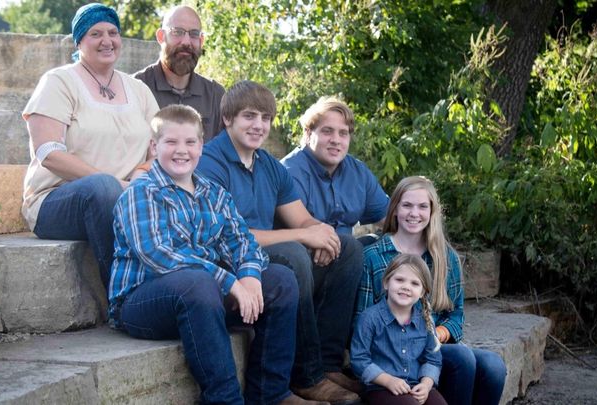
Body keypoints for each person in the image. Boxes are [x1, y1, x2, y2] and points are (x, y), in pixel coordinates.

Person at [108, 104, 315, 405]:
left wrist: (249, 277)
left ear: (201, 146)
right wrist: (231, 283)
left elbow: (243, 241)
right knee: (198, 282)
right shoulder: (141, 192)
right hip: (142, 302)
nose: (182, 150)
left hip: (203, 299)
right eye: (171, 142)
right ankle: (225, 399)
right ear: (154, 147)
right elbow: (159, 253)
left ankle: (270, 394)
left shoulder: (214, 194)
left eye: (190, 142)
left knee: (280, 280)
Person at [198, 81, 362, 405]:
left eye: (265, 118)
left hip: (262, 262)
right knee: (293, 255)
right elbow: (227, 237)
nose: (258, 125)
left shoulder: (268, 165)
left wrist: (321, 234)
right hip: (226, 271)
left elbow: (302, 219)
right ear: (228, 118)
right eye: (249, 116)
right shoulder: (209, 163)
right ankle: (306, 377)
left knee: (348, 249)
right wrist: (303, 235)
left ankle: (328, 365)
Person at [22, 3, 159, 289]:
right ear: (79, 41)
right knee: (103, 189)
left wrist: (138, 176)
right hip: (58, 201)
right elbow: (48, 153)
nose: (106, 40)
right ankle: (121, 292)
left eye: (113, 33)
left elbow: (160, 151)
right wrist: (115, 184)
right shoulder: (59, 82)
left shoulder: (139, 90)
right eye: (95, 34)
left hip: (127, 195)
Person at [355, 176, 507, 405]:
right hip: (392, 352)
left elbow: (456, 316)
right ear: (394, 209)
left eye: (422, 206)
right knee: (462, 357)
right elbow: (361, 320)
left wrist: (434, 335)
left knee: (493, 366)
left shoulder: (445, 257)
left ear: (432, 211)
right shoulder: (373, 257)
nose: (414, 213)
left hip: (432, 347)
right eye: (407, 205)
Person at [280, 97, 388, 241]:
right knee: (351, 244)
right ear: (308, 133)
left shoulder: (358, 172)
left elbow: (388, 219)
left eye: (343, 133)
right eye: (327, 131)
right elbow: (298, 231)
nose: (336, 140)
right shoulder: (289, 172)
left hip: (344, 249)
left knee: (378, 241)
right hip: (301, 249)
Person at [351, 253, 447, 405]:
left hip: (415, 384)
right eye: (399, 280)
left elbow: (433, 359)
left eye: (415, 283)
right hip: (380, 387)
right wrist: (388, 380)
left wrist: (426, 384)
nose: (406, 287)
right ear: (386, 283)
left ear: (422, 292)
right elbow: (359, 359)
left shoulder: (425, 321)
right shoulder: (369, 318)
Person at [134, 5, 225, 141]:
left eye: (194, 34)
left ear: (201, 41)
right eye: (177, 32)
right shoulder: (136, 89)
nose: (186, 42)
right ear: (161, 36)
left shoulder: (215, 96)